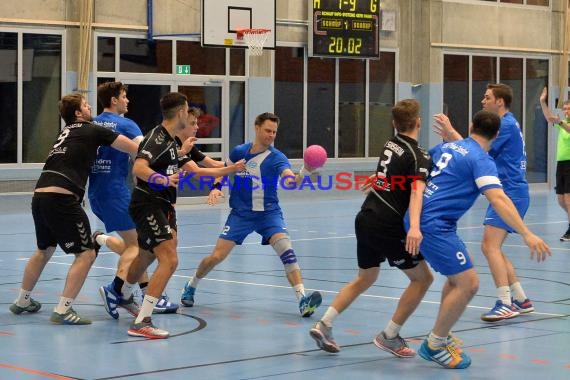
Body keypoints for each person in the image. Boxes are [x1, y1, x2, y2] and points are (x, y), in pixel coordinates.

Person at [412, 110, 550, 369]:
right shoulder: (481, 160)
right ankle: (434, 344)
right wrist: (527, 233)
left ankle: (442, 333)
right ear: (496, 135)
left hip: (423, 219)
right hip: (434, 226)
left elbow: (415, 168)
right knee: (469, 283)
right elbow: (498, 199)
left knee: (458, 277)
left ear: (471, 125)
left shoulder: (448, 146)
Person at [309, 99, 434, 356]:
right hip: (387, 224)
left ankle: (324, 324)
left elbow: (393, 175)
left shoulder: (391, 144)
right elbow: (416, 192)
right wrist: (415, 228)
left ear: (394, 124)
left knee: (366, 276)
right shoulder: (419, 155)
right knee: (423, 279)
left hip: (365, 216)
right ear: (418, 122)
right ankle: (390, 335)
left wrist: (380, 179)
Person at [9, 93, 138, 324]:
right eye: (86, 106)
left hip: (40, 196)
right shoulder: (92, 129)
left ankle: (22, 301)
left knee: (44, 250)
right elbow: (132, 147)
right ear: (78, 113)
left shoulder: (65, 133)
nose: (91, 109)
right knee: (86, 254)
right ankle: (63, 309)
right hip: (62, 199)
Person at [180, 112, 323, 317]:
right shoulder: (240, 151)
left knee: (287, 251)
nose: (271, 135)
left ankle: (303, 300)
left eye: (274, 132)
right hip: (241, 214)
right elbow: (225, 170)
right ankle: (191, 285)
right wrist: (216, 187)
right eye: (267, 130)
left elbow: (291, 183)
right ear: (257, 128)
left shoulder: (277, 158)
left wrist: (305, 171)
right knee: (217, 256)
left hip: (269, 214)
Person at [434, 83, 534, 322]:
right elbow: (472, 149)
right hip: (510, 190)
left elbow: (472, 151)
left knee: (490, 247)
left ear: (500, 102)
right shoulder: (507, 123)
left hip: (509, 193)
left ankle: (505, 302)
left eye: (487, 97)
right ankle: (520, 299)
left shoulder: (505, 125)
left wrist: (451, 134)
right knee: (492, 247)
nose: (483, 100)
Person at [88, 81, 179, 317]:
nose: (128, 101)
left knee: (139, 243)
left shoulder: (92, 123)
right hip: (116, 190)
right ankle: (116, 291)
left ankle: (131, 291)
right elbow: (147, 151)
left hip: (96, 192)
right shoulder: (126, 124)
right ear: (114, 100)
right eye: (124, 96)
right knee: (139, 246)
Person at [539, 87, 570, 241]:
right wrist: (542, 102)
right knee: (561, 200)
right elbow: (550, 117)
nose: (566, 111)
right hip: (561, 164)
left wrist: (561, 122)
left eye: (568, 108)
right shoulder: (562, 123)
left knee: (569, 199)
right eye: (564, 108)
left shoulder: (565, 125)